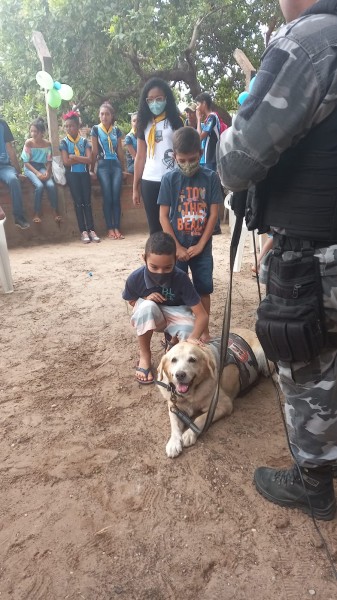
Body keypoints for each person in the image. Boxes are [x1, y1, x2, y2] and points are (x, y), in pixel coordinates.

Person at [217, 0, 337, 521]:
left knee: (308, 362)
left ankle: (313, 485)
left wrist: (235, 123)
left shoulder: (309, 41)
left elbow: (236, 162)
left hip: (316, 256)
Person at [158, 127, 223, 341]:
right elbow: (163, 217)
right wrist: (176, 247)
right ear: (174, 156)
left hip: (201, 247)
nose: (187, 164)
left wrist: (201, 245)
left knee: (203, 287)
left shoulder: (211, 177)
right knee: (176, 290)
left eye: (192, 159)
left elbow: (214, 214)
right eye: (182, 160)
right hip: (177, 247)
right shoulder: (168, 180)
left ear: (201, 154)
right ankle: (177, 332)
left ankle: (203, 333)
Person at [122, 231, 208, 384]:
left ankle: (175, 346)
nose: (160, 273)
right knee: (146, 307)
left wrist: (192, 339)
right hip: (153, 315)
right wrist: (145, 299)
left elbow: (201, 315)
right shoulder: (135, 278)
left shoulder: (181, 278)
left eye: (167, 267)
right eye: (154, 267)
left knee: (190, 329)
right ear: (144, 258)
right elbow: (131, 300)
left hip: (176, 314)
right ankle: (145, 355)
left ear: (175, 260)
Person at [132, 77, 183, 235]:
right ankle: (158, 260)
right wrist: (135, 187)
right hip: (149, 181)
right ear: (145, 101)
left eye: (159, 99)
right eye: (151, 99)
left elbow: (182, 152)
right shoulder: (143, 123)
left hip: (172, 179)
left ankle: (175, 259)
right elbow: (140, 157)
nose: (155, 103)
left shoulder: (176, 121)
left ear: (166, 99)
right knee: (155, 228)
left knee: (174, 225)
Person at [60, 111, 100, 244]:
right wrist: (81, 159)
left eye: (71, 126)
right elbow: (66, 162)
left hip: (84, 174)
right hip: (72, 175)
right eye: (66, 126)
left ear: (77, 126)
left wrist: (75, 157)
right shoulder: (64, 142)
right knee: (78, 203)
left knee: (87, 202)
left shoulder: (84, 141)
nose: (69, 128)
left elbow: (89, 159)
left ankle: (91, 229)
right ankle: (83, 231)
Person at [91, 103, 126, 240]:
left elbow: (120, 151)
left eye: (107, 114)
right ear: (99, 115)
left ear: (112, 116)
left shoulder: (116, 130)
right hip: (103, 165)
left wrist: (123, 169)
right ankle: (110, 228)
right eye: (102, 114)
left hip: (115, 165)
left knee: (116, 197)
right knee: (108, 196)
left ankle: (117, 227)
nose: (104, 116)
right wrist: (91, 170)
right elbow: (94, 151)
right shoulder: (95, 129)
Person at [21, 117, 61, 224]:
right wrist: (37, 173)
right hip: (30, 167)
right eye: (32, 131)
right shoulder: (29, 143)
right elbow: (26, 162)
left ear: (42, 132)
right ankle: (36, 213)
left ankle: (55, 210)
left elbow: (48, 161)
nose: (33, 133)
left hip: (41, 166)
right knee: (39, 186)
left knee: (51, 185)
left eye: (36, 131)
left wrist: (47, 171)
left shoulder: (47, 144)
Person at [195, 92, 223, 235]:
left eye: (198, 104)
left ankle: (216, 226)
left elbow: (200, 137)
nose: (197, 107)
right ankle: (212, 224)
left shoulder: (212, 117)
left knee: (212, 191)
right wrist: (199, 120)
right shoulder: (207, 119)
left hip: (212, 159)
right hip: (206, 159)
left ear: (204, 103)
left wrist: (199, 120)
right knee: (207, 191)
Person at [0, 118, 29, 229]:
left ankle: (19, 217)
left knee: (13, 180)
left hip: (5, 166)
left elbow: (9, 149)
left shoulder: (2, 124)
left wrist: (18, 171)